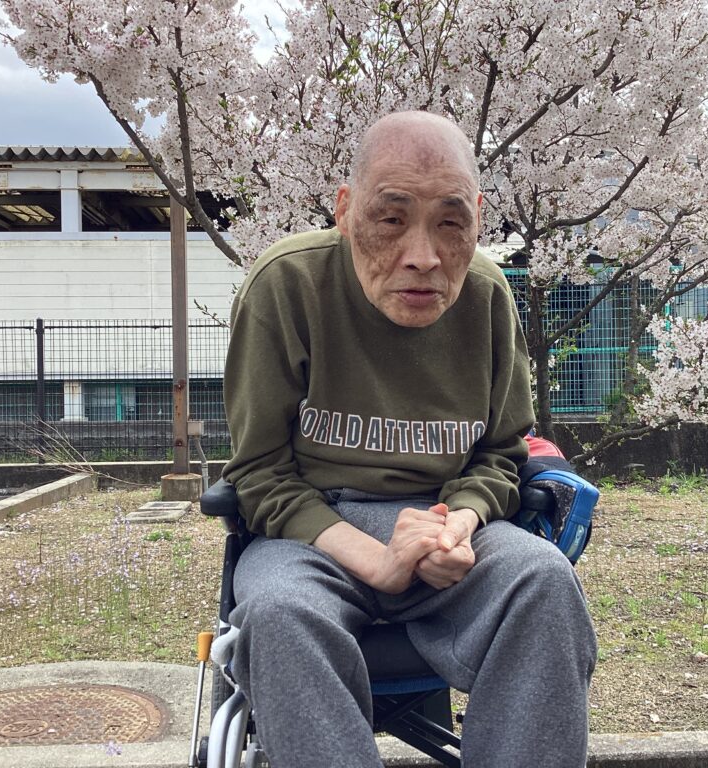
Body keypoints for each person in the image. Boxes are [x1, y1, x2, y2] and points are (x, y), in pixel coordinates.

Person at [222, 110, 596, 767]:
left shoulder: (486, 296)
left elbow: (501, 453)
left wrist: (457, 525)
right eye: (391, 219)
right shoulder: (288, 285)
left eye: (451, 223)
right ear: (346, 211)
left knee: (544, 580)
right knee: (279, 613)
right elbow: (260, 473)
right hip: (312, 534)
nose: (423, 256)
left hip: (444, 524)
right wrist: (377, 560)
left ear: (478, 218)